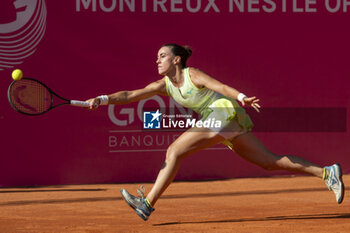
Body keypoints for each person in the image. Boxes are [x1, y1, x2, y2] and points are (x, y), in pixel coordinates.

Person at [87, 43, 344, 221]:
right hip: (227, 122)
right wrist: (103, 98)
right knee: (270, 162)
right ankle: (326, 173)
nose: (157, 60)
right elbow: (130, 95)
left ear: (176, 59)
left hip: (224, 112)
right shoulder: (163, 85)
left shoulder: (192, 74)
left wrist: (242, 96)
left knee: (174, 150)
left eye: (162, 55)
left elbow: (219, 86)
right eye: (157, 56)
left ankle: (147, 203)